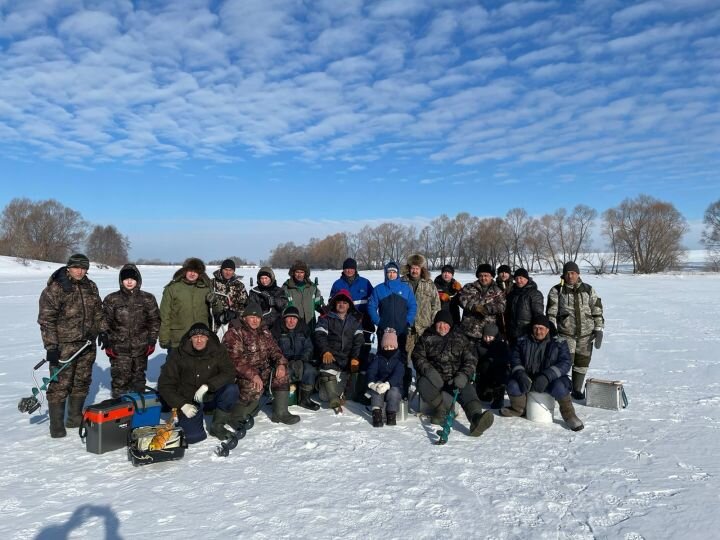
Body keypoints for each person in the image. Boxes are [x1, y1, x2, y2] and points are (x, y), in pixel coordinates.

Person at [38, 253, 105, 438]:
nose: (80, 271)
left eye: (83, 268)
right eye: (76, 267)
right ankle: (56, 425)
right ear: (69, 267)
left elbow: (98, 312)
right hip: (64, 345)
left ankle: (74, 417)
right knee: (60, 384)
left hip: (87, 344)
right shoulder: (56, 288)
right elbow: (46, 319)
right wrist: (51, 346)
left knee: (82, 381)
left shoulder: (90, 286)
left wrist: (103, 330)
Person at [413, 311, 494, 437]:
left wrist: (463, 375)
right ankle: (441, 411)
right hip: (435, 381)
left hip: (455, 380)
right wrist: (429, 371)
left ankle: (476, 418)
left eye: (446, 324)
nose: (442, 326)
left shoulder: (460, 338)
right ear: (435, 324)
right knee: (423, 383)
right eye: (440, 323)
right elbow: (417, 356)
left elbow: (471, 359)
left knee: (467, 388)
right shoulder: (426, 338)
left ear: (450, 325)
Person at [157, 323, 240, 443]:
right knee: (193, 437)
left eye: (202, 336)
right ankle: (196, 415)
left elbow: (229, 372)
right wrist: (182, 405)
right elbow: (165, 384)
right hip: (189, 399)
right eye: (195, 337)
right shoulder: (178, 354)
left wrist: (208, 385)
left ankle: (217, 425)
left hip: (211, 394)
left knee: (231, 389)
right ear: (190, 338)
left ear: (208, 338)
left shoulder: (218, 350)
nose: (199, 340)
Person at [500, 315, 583, 431]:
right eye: (535, 328)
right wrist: (521, 374)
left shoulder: (559, 342)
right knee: (513, 385)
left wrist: (547, 376)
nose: (538, 331)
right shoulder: (522, 341)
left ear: (547, 329)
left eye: (541, 328)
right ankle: (518, 409)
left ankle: (570, 416)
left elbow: (565, 363)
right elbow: (515, 359)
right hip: (528, 379)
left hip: (550, 380)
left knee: (560, 386)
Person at [223, 302, 300, 425]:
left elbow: (275, 350)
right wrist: (253, 375)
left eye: (258, 317)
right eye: (252, 317)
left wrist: (280, 364)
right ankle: (236, 416)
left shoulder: (264, 332)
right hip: (241, 376)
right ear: (244, 317)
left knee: (282, 374)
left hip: (263, 371)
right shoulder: (234, 333)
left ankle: (280, 413)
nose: (255, 320)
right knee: (254, 388)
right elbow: (235, 360)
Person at [100, 264, 161, 398]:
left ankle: (138, 413)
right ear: (121, 280)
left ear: (138, 280)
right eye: (126, 278)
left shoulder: (148, 299)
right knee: (120, 381)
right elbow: (104, 320)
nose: (129, 281)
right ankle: (119, 413)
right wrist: (105, 336)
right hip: (118, 349)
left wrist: (152, 340)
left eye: (132, 279)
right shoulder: (112, 299)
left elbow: (155, 320)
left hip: (141, 348)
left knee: (138, 380)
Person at [546, 261, 604, 400]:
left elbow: (597, 309)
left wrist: (598, 329)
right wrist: (553, 332)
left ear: (578, 274)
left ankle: (577, 389)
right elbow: (551, 313)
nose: (570, 276)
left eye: (572, 273)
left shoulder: (588, 289)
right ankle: (562, 389)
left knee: (582, 362)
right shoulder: (557, 290)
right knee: (564, 362)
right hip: (566, 334)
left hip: (586, 335)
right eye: (567, 273)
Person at [367, 261, 417, 396]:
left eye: (394, 272)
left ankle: (402, 390)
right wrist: (379, 322)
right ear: (385, 273)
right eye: (389, 272)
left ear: (398, 273)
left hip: (401, 331)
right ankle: (380, 390)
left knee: (402, 360)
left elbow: (412, 306)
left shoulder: (406, 289)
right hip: (384, 331)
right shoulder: (379, 289)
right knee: (382, 360)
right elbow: (371, 307)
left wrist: (407, 322)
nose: (391, 274)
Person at [314, 289, 364, 411]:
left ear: (349, 305)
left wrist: (354, 358)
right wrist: (325, 350)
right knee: (324, 397)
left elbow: (358, 341)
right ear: (335, 304)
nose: (342, 305)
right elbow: (319, 335)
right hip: (331, 357)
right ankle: (333, 398)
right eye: (339, 302)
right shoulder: (326, 318)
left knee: (351, 395)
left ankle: (339, 388)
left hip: (347, 360)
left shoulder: (355, 320)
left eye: (345, 303)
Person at [159, 257, 222, 351]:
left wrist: (215, 301)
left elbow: (218, 311)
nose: (192, 274)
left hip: (200, 338)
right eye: (190, 270)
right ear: (184, 271)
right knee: (176, 365)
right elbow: (164, 315)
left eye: (196, 271)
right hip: (178, 338)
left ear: (200, 273)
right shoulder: (172, 289)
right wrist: (164, 338)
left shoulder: (206, 288)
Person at [330, 257, 374, 374]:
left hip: (364, 321)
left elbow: (373, 301)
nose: (349, 271)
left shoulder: (365, 283)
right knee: (347, 345)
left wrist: (370, 318)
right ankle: (348, 370)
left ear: (355, 269)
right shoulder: (337, 284)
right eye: (346, 268)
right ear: (343, 270)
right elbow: (331, 304)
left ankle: (363, 370)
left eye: (351, 268)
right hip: (345, 321)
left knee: (363, 345)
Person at [271, 306, 319, 411]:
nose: (291, 321)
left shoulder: (304, 330)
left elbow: (309, 347)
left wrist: (302, 360)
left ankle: (305, 399)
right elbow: (274, 349)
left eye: (294, 318)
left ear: (298, 320)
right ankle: (280, 400)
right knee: (282, 373)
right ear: (284, 319)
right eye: (289, 318)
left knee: (310, 370)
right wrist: (283, 362)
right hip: (284, 363)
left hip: (301, 361)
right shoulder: (277, 331)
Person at [401, 254, 441, 359]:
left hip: (424, 328)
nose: (414, 271)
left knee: (423, 359)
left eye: (417, 268)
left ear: (421, 269)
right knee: (405, 358)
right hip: (406, 328)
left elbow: (436, 306)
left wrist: (433, 324)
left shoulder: (429, 284)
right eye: (412, 268)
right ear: (409, 268)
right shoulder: (401, 283)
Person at [365, 329, 404, 428]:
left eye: (391, 346)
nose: (388, 349)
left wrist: (388, 384)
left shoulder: (399, 360)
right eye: (386, 346)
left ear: (395, 346)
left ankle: (391, 414)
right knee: (377, 390)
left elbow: (398, 374)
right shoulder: (378, 358)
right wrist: (371, 383)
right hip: (380, 382)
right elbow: (371, 370)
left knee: (394, 393)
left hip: (394, 384)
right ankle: (376, 413)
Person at [458, 263, 506, 341]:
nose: (483, 278)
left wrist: (488, 308)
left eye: (486, 275)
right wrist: (474, 307)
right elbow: (461, 299)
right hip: (468, 330)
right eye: (481, 275)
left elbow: (502, 306)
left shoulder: (497, 290)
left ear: (491, 276)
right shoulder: (469, 287)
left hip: (488, 333)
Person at [504, 268, 544, 347]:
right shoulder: (512, 294)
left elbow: (538, 315)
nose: (518, 281)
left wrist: (535, 332)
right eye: (516, 278)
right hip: (512, 334)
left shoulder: (534, 294)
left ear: (526, 279)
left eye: (521, 278)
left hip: (527, 333)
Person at [474, 323, 510, 409]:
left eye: (490, 337)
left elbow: (506, 359)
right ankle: (486, 392)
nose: (487, 339)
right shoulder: (479, 345)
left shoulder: (501, 345)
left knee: (501, 374)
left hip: (497, 372)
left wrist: (493, 360)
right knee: (483, 398)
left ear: (495, 336)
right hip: (483, 373)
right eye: (485, 336)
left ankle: (498, 398)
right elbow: (474, 358)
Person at [282, 260, 325, 330]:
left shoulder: (313, 288)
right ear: (293, 273)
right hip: (294, 328)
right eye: (297, 272)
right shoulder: (286, 288)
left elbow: (318, 305)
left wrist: (323, 307)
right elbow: (282, 309)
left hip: (310, 326)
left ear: (305, 273)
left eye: (302, 272)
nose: (299, 275)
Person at [211, 259, 248, 331]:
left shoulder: (239, 285)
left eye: (230, 270)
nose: (228, 272)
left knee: (239, 336)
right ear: (221, 270)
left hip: (234, 319)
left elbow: (245, 306)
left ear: (234, 271)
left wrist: (234, 313)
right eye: (226, 270)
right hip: (215, 320)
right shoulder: (212, 283)